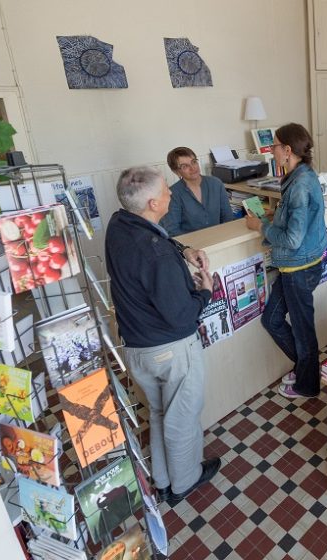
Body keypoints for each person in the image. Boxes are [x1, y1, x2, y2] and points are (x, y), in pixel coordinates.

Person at [105, 166, 221, 506]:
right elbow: (182, 314)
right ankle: (185, 481)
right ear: (154, 202)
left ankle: (164, 478)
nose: (172, 192)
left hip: (138, 349)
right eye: (166, 191)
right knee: (183, 418)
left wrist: (182, 249)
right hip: (171, 350)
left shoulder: (119, 226)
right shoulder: (155, 253)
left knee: (158, 413)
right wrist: (206, 291)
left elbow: (153, 240)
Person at [245, 123, 327, 399]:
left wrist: (261, 227)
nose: (272, 151)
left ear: (288, 150)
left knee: (304, 332)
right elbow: (296, 224)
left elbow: (292, 239)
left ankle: (308, 384)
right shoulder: (298, 176)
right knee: (272, 319)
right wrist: (275, 217)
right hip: (297, 266)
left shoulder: (300, 184)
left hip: (299, 268)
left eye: (275, 146)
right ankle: (307, 367)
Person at [161, 147, 235, 236]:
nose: (192, 168)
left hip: (220, 237)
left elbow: (228, 218)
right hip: (192, 245)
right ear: (177, 171)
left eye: (194, 162)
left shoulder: (216, 183)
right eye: (185, 166)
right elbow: (173, 230)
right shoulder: (173, 193)